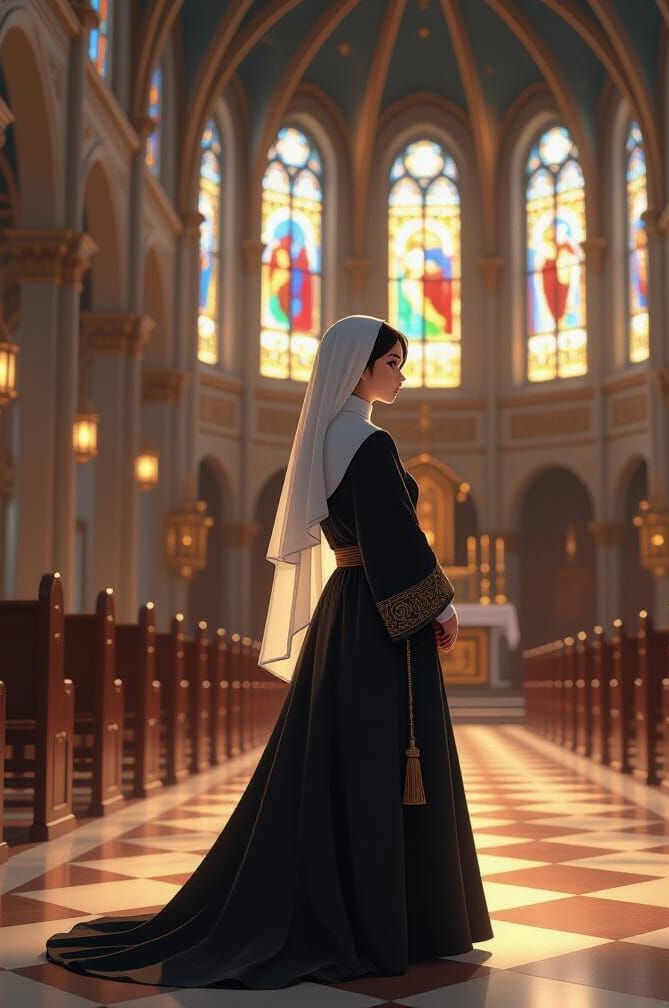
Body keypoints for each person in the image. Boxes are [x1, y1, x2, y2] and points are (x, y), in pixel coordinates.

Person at [44, 314, 493, 988]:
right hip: (378, 621)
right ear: (359, 369)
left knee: (340, 764)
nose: (402, 374)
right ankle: (390, 921)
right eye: (392, 363)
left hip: (347, 610)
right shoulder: (369, 443)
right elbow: (392, 535)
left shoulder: (326, 439)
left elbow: (361, 534)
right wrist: (443, 603)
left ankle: (371, 912)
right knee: (379, 763)